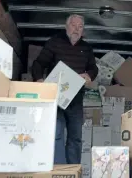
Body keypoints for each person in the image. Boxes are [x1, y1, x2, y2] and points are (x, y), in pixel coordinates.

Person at [31, 14, 98, 164]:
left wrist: (88, 75)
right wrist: (39, 80)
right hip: (56, 98)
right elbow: (39, 63)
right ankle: (58, 169)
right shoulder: (54, 42)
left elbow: (94, 68)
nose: (77, 29)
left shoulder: (87, 48)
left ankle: (73, 170)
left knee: (76, 137)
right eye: (74, 25)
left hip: (76, 99)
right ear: (66, 26)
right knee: (57, 134)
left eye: (80, 27)